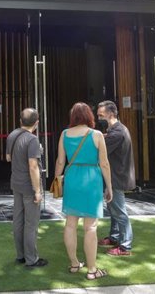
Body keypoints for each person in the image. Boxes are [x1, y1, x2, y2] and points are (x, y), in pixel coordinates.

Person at [53, 102, 113, 280]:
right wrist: (109, 187)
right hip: (91, 181)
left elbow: (60, 162)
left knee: (70, 224)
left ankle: (74, 263)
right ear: (89, 116)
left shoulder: (64, 134)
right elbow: (104, 163)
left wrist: (57, 180)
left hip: (72, 179)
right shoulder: (96, 135)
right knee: (91, 227)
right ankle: (92, 269)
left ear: (73, 116)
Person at [5, 108, 48, 268]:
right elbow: (33, 166)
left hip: (15, 183)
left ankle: (20, 255)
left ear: (20, 120)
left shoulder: (12, 135)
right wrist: (37, 191)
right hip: (29, 186)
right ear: (36, 123)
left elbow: (8, 158)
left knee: (18, 221)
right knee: (31, 224)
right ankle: (32, 259)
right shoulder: (32, 140)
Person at [96, 100, 135, 256]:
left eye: (101, 114)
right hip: (114, 176)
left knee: (119, 211)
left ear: (110, 114)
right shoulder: (116, 129)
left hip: (117, 177)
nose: (98, 117)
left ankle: (125, 246)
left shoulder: (117, 132)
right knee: (113, 209)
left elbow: (100, 147)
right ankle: (114, 237)